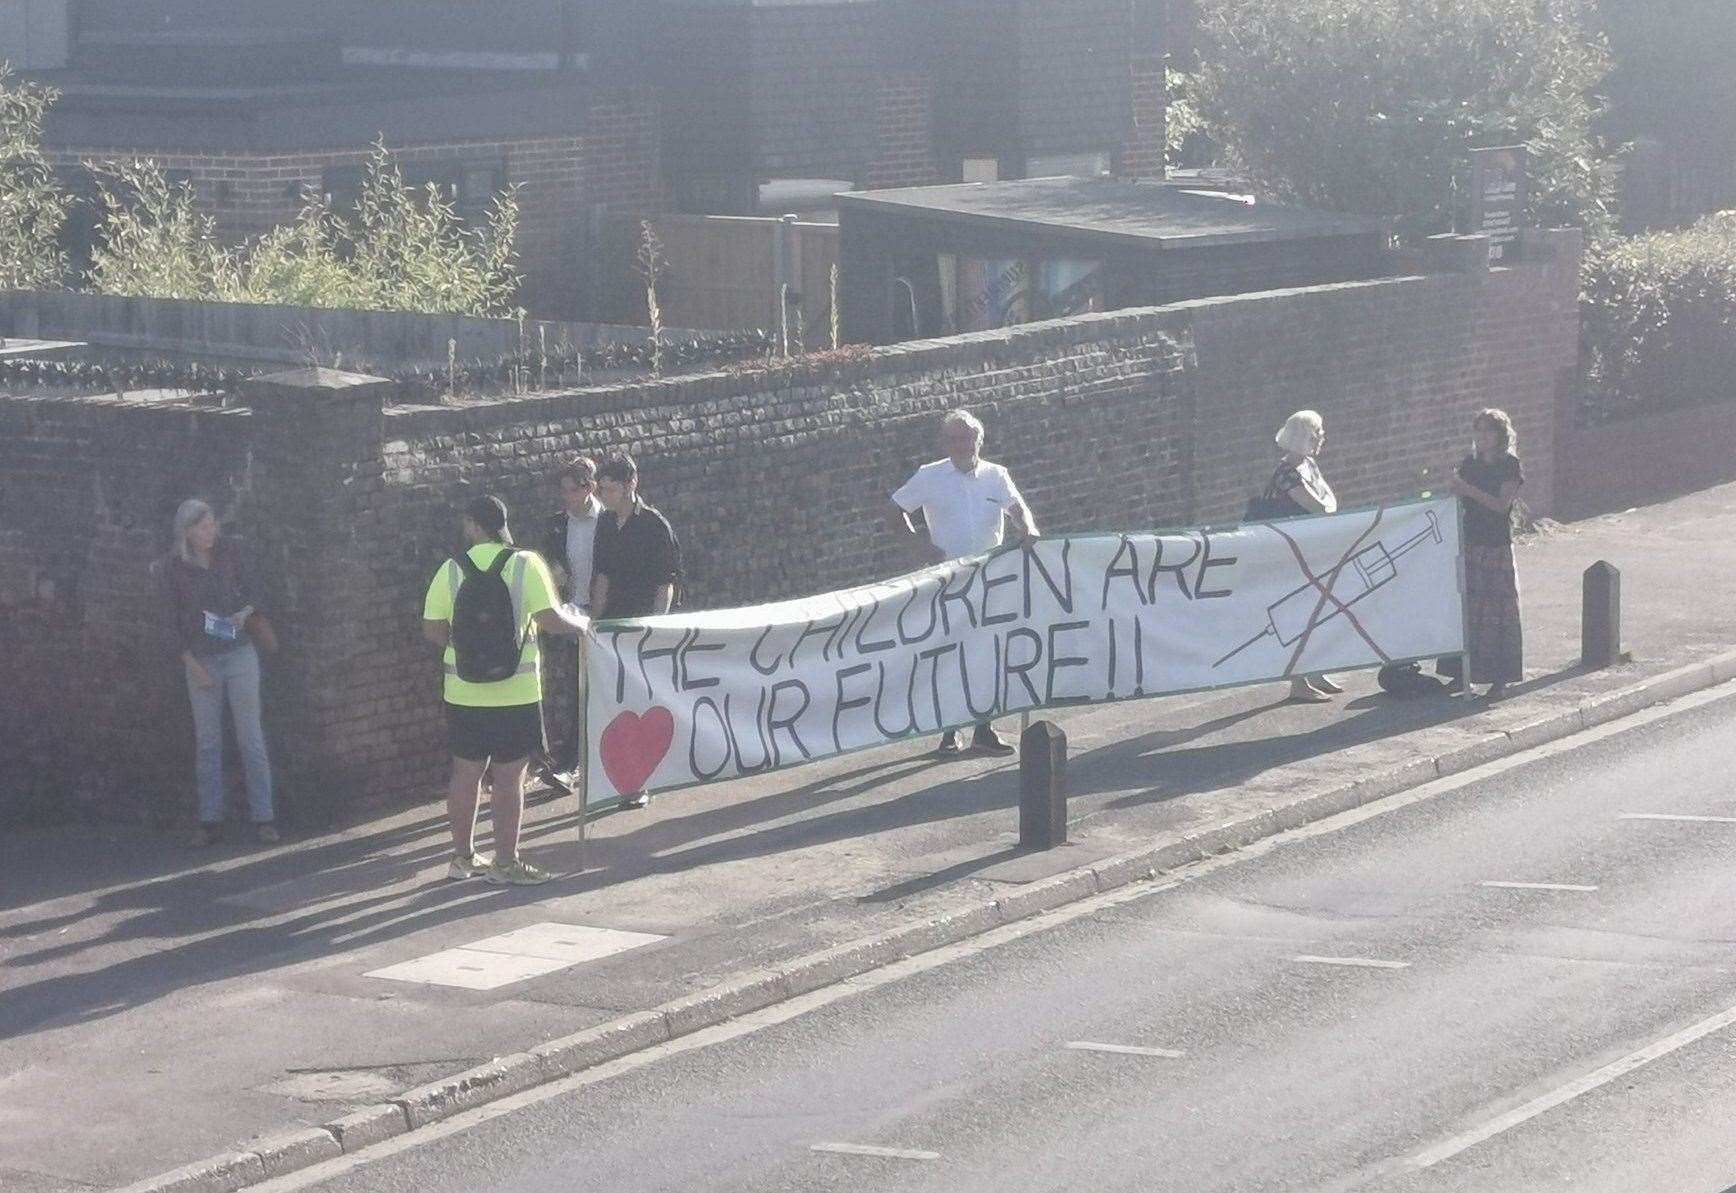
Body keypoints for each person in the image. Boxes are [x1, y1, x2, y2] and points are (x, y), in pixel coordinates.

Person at [423, 494, 591, 884]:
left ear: (473, 526)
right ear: (502, 526)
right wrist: (583, 625)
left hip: (463, 693)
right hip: (516, 693)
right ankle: (506, 863)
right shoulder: (525, 564)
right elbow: (550, 620)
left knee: (466, 773)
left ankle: (462, 858)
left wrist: (466, 648)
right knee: (509, 778)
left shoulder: (450, 570)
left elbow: (432, 630)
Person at [887, 408, 1039, 757]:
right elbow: (894, 512)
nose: (960, 444)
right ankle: (949, 732)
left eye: (966, 437)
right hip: (948, 578)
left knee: (987, 652)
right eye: (953, 438)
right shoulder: (930, 476)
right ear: (945, 443)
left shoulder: (996, 475)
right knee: (950, 653)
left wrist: (1027, 528)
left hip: (989, 578)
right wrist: (922, 547)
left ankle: (984, 730)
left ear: (978, 440)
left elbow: (1017, 507)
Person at [166, 498, 278, 846]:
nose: (210, 531)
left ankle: (264, 817)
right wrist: (192, 665)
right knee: (209, 742)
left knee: (251, 737)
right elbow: (169, 622)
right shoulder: (174, 568)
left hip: (239, 651)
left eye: (212, 523)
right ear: (187, 532)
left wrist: (244, 613)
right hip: (201, 658)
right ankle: (210, 819)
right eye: (202, 527)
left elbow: (258, 590)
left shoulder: (230, 553)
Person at [589, 452, 682, 808]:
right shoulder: (605, 524)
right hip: (613, 625)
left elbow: (666, 583)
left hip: (644, 625)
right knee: (617, 704)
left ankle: (639, 782)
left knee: (643, 703)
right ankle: (622, 779)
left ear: (631, 485)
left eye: (611, 490)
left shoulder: (655, 525)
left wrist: (655, 628)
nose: (605, 497)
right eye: (602, 490)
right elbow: (602, 577)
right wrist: (595, 624)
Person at [1264, 410, 1344, 704]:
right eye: (1317, 433)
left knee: (1318, 609)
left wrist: (1326, 506)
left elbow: (1330, 500)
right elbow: (1319, 506)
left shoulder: (1309, 464)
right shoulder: (1286, 472)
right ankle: (1298, 683)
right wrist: (1325, 506)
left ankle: (1316, 671)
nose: (1322, 438)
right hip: (1291, 553)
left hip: (1312, 549)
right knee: (1300, 614)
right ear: (1305, 437)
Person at [1447, 408, 1525, 699]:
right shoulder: (1469, 463)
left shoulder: (1509, 465)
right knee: (1469, 607)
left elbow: (1501, 505)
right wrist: (1455, 490)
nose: (1481, 437)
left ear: (1500, 435)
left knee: (1497, 611)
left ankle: (1500, 679)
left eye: (1488, 431)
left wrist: (1467, 489)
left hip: (1495, 544)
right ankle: (1463, 672)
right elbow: (1459, 497)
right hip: (1470, 540)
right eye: (1478, 430)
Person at [538, 455, 602, 780]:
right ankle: (568, 760)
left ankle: (574, 762)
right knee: (569, 688)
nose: (566, 496)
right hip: (568, 614)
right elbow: (545, 564)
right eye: (562, 490)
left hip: (599, 616)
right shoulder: (556, 524)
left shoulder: (607, 522)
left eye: (571, 490)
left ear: (589, 488)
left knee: (591, 689)